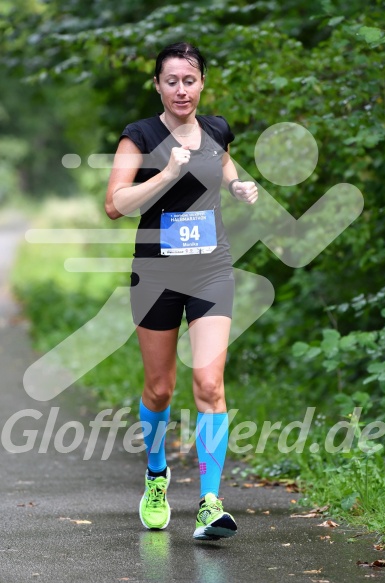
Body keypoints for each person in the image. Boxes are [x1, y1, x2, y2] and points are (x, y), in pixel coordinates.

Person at [105, 41, 258, 540]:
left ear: (201, 83)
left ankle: (210, 503)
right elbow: (115, 204)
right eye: (171, 81)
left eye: (189, 80)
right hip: (155, 275)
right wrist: (167, 172)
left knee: (210, 385)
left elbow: (224, 166)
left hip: (211, 270)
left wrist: (238, 186)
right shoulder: (140, 136)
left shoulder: (215, 128)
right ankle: (155, 475)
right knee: (160, 387)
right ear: (157, 85)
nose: (181, 90)